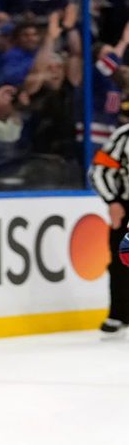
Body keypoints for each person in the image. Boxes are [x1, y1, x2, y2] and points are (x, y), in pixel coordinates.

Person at [89, 122, 129, 337]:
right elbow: (98, 170)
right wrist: (113, 201)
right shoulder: (125, 135)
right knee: (123, 260)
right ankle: (119, 314)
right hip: (127, 207)